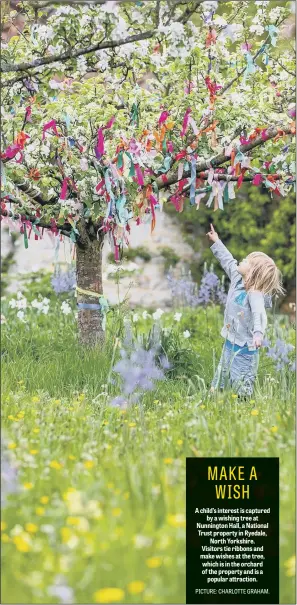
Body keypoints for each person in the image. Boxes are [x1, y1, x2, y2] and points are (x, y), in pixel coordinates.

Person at [207, 224, 285, 397]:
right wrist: (216, 241)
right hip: (231, 339)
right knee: (223, 371)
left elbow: (259, 313)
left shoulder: (255, 293)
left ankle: (243, 404)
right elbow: (228, 260)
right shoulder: (237, 278)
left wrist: (258, 333)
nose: (241, 260)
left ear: (252, 273)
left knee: (241, 378)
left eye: (246, 261)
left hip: (244, 347)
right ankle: (215, 397)